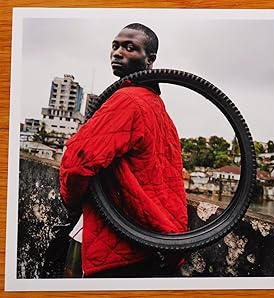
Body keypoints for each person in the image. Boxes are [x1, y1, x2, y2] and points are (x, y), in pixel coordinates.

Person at [59, 23, 188, 278]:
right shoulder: (157, 107)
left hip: (113, 244)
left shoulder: (127, 100)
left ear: (150, 59)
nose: (118, 53)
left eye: (130, 48)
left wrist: (72, 202)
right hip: (152, 239)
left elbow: (76, 163)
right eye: (115, 46)